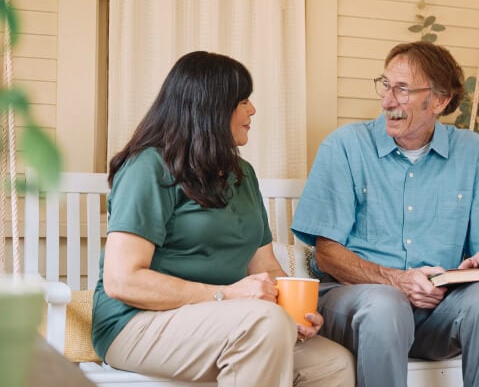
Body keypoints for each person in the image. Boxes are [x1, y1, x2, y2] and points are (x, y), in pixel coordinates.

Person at [91, 51, 355, 387]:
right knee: (263, 324)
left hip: (229, 321)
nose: (252, 110)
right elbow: (122, 280)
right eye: (243, 100)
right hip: (135, 324)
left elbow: (266, 268)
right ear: (211, 107)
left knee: (333, 363)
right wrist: (226, 295)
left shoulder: (242, 174)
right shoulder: (149, 167)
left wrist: (296, 312)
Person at [291, 41, 479, 387]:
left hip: (437, 315)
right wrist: (397, 280)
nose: (387, 101)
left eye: (402, 90)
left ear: (439, 101)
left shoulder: (473, 154)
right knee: (386, 304)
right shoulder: (345, 147)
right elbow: (327, 253)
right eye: (385, 85)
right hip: (358, 308)